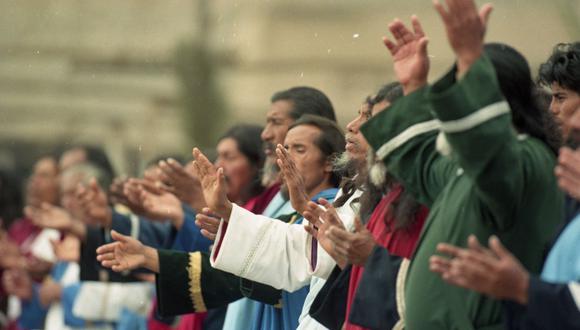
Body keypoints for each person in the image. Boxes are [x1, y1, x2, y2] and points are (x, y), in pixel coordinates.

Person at [359, 1, 562, 328]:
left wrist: (469, 56)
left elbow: (486, 146)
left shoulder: (524, 161)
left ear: (495, 101)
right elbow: (422, 165)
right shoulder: (469, 170)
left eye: (461, 88)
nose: (449, 109)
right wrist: (414, 87)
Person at [97, 114, 344, 330]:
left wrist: (224, 216)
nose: (285, 159)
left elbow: (269, 270)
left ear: (329, 162)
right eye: (285, 148)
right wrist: (150, 255)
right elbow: (240, 274)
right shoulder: (283, 211)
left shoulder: (331, 211)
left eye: (298, 149)